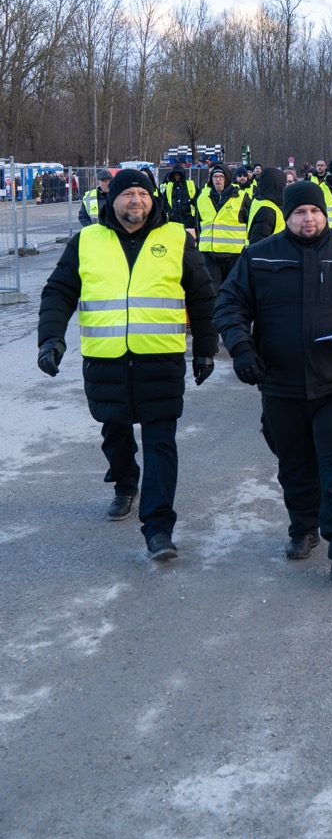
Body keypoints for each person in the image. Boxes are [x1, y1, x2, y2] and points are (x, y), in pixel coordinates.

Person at [214, 181, 332, 580]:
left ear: (324, 213)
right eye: (300, 212)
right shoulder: (259, 256)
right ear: (287, 216)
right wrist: (241, 348)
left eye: (314, 211)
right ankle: (303, 528)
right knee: (295, 464)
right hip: (282, 383)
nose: (308, 218)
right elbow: (229, 304)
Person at [36, 169, 216, 560]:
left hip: (160, 359)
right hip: (106, 361)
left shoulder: (176, 239)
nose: (136, 200)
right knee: (114, 431)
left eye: (142, 194)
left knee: (160, 442)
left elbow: (202, 295)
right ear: (112, 200)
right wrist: (50, 338)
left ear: (153, 200)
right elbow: (58, 292)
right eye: (127, 194)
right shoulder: (87, 241)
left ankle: (159, 528)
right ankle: (124, 482)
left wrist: (205, 347)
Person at [196, 163, 247, 292]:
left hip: (234, 255)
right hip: (209, 254)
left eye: (221, 177)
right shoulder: (202, 198)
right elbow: (197, 223)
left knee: (232, 291)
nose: (218, 180)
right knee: (213, 291)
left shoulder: (242, 197)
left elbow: (250, 223)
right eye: (215, 177)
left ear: (227, 178)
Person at [247, 167, 287, 244]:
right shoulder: (268, 211)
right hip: (271, 251)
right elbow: (258, 243)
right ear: (277, 185)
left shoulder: (260, 200)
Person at [160, 161, 198, 232]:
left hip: (189, 219)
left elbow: (199, 197)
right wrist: (169, 210)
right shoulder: (169, 186)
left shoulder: (190, 184)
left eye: (178, 175)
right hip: (174, 219)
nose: (176, 177)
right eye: (175, 175)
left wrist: (192, 201)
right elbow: (164, 200)